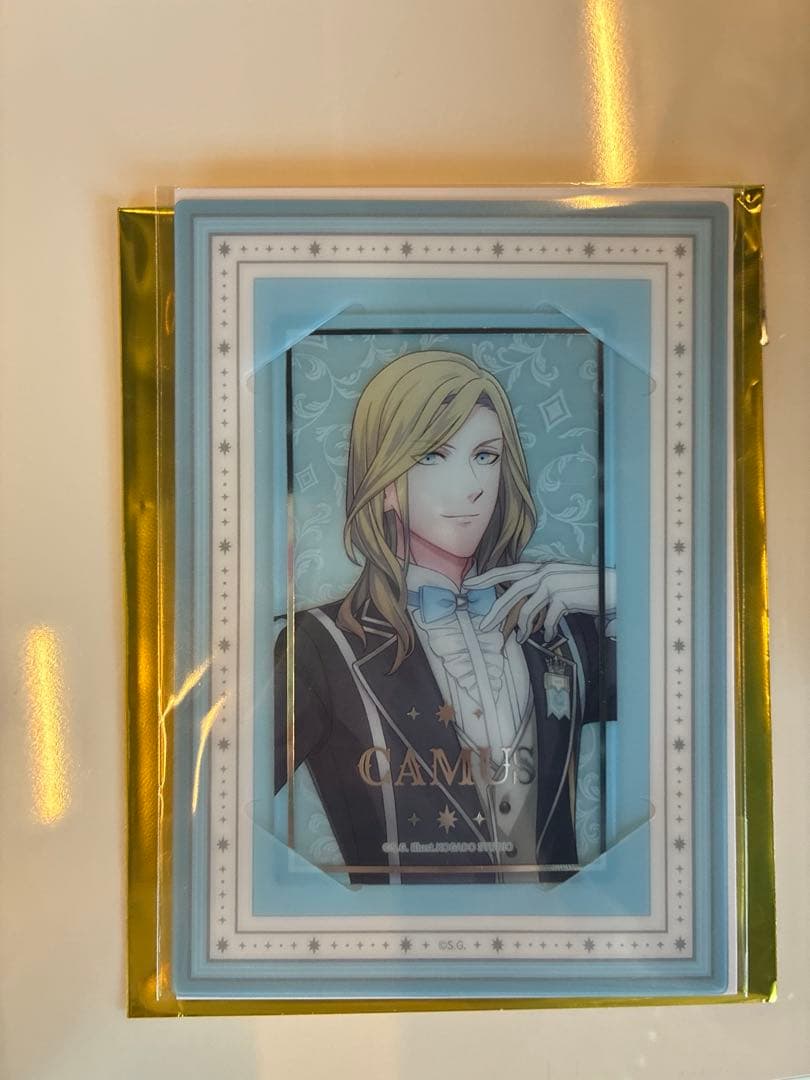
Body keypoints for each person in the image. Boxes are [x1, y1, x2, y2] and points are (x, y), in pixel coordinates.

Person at [274, 349, 615, 884]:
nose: (472, 485)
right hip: (400, 934)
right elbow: (220, 806)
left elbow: (688, 708)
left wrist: (615, 589)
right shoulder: (321, 645)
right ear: (385, 481)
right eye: (434, 455)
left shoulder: (558, 628)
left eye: (486, 455)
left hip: (560, 934)